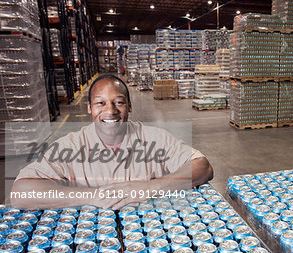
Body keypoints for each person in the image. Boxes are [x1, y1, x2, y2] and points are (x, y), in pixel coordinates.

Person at [10, 74, 213, 209]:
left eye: (119, 102)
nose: (111, 111)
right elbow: (20, 193)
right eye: (101, 103)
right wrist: (91, 197)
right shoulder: (69, 146)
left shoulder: (155, 139)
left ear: (129, 106)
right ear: (89, 108)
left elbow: (202, 167)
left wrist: (149, 188)